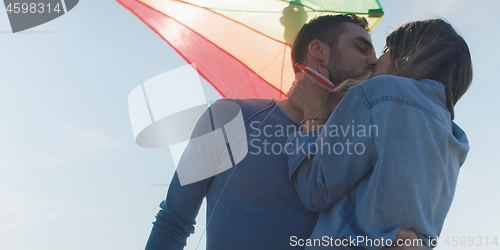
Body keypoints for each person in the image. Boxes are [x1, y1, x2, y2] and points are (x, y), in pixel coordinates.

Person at [144, 14, 378, 250]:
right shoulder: (229, 116)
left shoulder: (362, 144)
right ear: (318, 50)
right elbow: (173, 223)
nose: (374, 61)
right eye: (361, 48)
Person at [286, 18, 472, 248]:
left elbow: (315, 190)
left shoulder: (381, 92)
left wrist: (313, 111)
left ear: (408, 53)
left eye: (385, 50)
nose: (375, 61)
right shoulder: (455, 138)